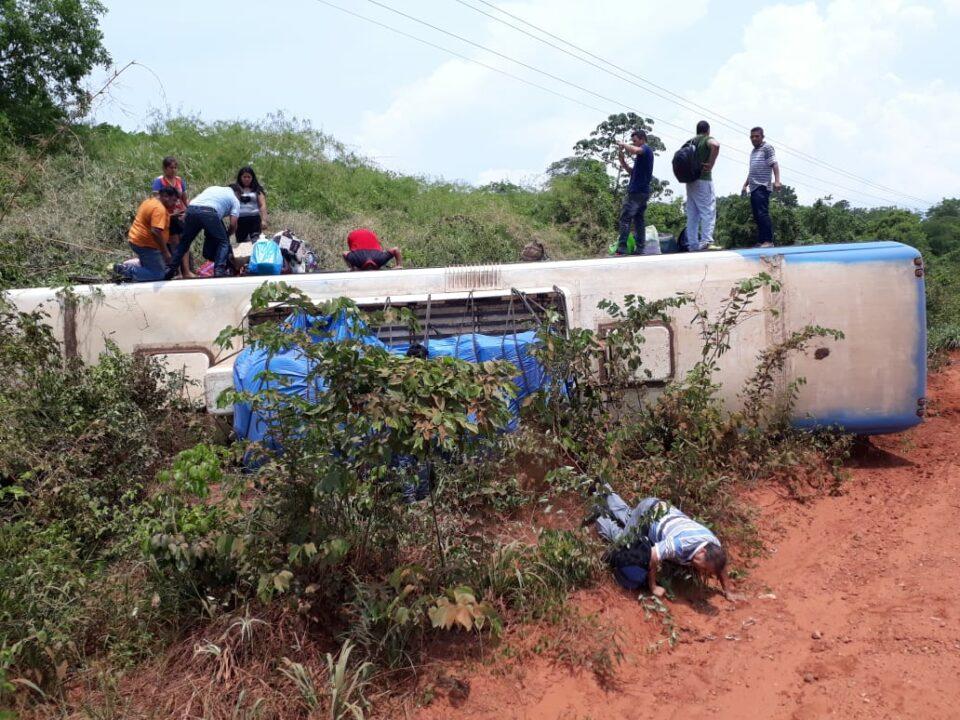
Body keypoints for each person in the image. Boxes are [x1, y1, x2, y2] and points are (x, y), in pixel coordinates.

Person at [595, 493, 739, 601]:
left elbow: (720, 564)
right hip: (650, 513)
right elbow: (652, 556)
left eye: (706, 571)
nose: (702, 572)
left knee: (629, 518)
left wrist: (728, 591)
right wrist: (653, 587)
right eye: (704, 568)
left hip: (659, 510)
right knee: (623, 542)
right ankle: (597, 515)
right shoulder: (680, 544)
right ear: (702, 550)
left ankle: (601, 488)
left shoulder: (714, 544)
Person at [165, 184, 242, 280]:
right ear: (237, 194)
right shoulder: (234, 199)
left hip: (192, 209)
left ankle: (169, 270)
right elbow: (233, 224)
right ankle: (219, 271)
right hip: (209, 212)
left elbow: (195, 201)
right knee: (224, 242)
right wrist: (227, 235)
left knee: (184, 242)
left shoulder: (213, 188)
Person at [114, 187, 180, 282]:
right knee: (158, 275)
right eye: (174, 200)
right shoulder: (159, 209)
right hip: (146, 245)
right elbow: (155, 231)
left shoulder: (150, 201)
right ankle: (125, 270)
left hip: (136, 239)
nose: (175, 204)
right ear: (165, 197)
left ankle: (134, 266)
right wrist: (165, 252)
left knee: (160, 268)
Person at [151, 156, 195, 278]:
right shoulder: (159, 181)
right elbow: (156, 200)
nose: (174, 170)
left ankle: (186, 271)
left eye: (176, 167)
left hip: (180, 215)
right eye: (171, 168)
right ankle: (177, 272)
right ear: (165, 168)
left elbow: (184, 199)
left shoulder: (180, 181)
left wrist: (188, 212)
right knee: (174, 243)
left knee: (184, 242)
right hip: (168, 216)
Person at [613, 129, 655, 256]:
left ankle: (622, 248)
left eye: (635, 141)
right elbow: (632, 172)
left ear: (642, 139)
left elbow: (635, 150)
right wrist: (623, 162)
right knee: (638, 220)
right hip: (642, 192)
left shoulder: (646, 149)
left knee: (625, 218)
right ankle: (640, 248)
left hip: (636, 193)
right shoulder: (641, 158)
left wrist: (623, 144)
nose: (634, 143)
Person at [741, 127, 781, 248]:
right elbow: (752, 170)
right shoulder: (753, 151)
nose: (754, 138)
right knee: (757, 215)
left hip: (762, 185)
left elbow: (774, 164)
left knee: (762, 213)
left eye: (757, 136)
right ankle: (762, 240)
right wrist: (745, 185)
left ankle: (768, 241)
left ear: (762, 137)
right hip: (753, 187)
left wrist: (777, 181)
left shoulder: (767, 148)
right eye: (752, 137)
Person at [685, 121, 720, 252]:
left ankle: (692, 245)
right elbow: (716, 145)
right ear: (708, 130)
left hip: (690, 181)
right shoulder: (706, 139)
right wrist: (711, 163)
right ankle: (706, 241)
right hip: (703, 180)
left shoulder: (691, 142)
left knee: (692, 214)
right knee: (708, 210)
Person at [235, 166, 268, 242]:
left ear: (252, 178)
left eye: (249, 177)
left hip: (254, 220)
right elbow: (233, 205)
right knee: (242, 244)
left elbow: (262, 205)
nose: (246, 179)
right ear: (240, 177)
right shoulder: (235, 189)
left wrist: (264, 220)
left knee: (256, 242)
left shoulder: (257, 189)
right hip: (240, 220)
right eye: (244, 177)